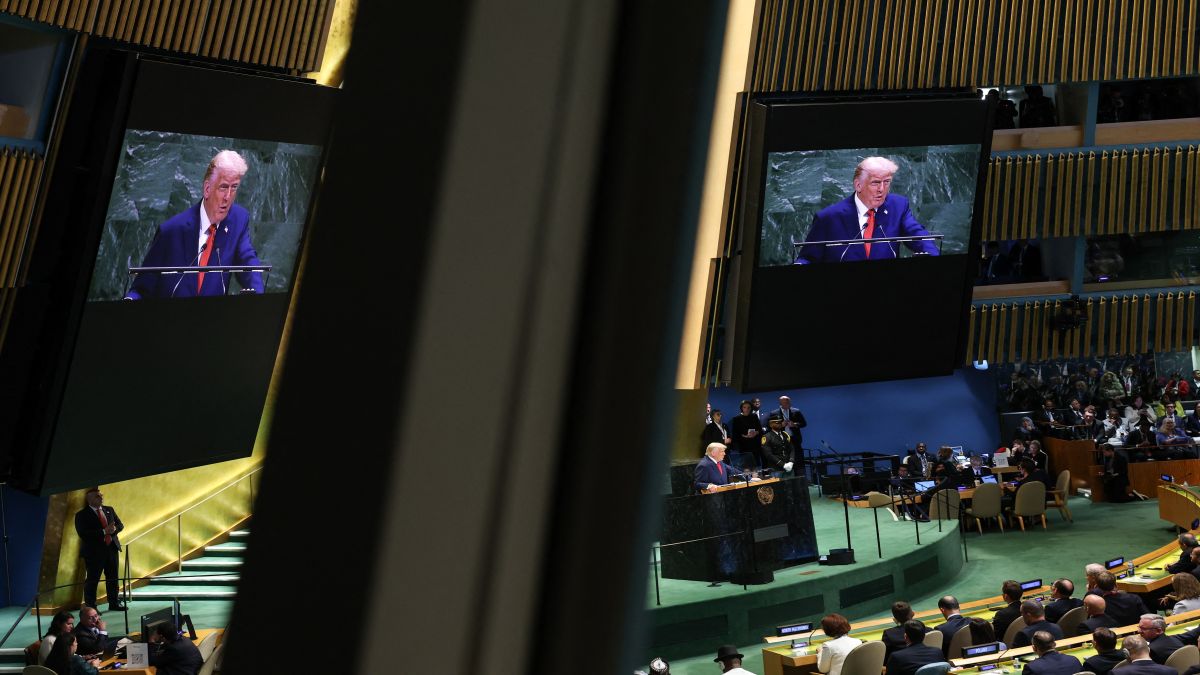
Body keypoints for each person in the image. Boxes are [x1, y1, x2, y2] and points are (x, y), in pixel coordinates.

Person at [125, 150, 265, 300]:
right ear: (207, 189)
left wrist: (257, 296)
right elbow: (142, 288)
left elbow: (248, 261)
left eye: (234, 187)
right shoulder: (171, 231)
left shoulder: (238, 219)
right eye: (223, 187)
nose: (228, 197)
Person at [795, 156, 939, 264]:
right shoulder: (829, 217)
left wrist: (932, 255)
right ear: (858, 185)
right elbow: (808, 258)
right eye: (875, 183)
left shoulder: (898, 206)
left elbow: (918, 236)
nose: (882, 189)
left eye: (886, 182)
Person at [73, 487, 125, 611]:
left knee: (113, 578)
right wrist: (103, 531)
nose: (101, 497)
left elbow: (120, 525)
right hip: (94, 552)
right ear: (89, 499)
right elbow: (83, 533)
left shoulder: (109, 510)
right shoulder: (82, 515)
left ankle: (114, 603)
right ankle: (91, 607)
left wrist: (113, 530)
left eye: (101, 495)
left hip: (111, 549)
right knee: (92, 579)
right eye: (97, 496)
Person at [774, 396, 807, 465]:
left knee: (798, 460)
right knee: (785, 461)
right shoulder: (774, 413)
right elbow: (770, 428)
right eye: (785, 402)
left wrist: (795, 424)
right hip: (781, 440)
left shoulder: (796, 411)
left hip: (795, 439)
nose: (788, 403)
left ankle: (800, 474)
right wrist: (781, 425)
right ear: (780, 403)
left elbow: (804, 423)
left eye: (788, 401)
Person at [730, 401, 763, 467]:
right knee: (746, 466)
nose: (747, 409)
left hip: (755, 444)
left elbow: (760, 430)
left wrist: (756, 433)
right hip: (744, 445)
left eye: (748, 407)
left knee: (756, 465)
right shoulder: (737, 419)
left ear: (751, 408)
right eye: (744, 407)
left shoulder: (754, 416)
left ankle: (756, 477)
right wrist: (745, 436)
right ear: (741, 408)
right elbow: (735, 433)